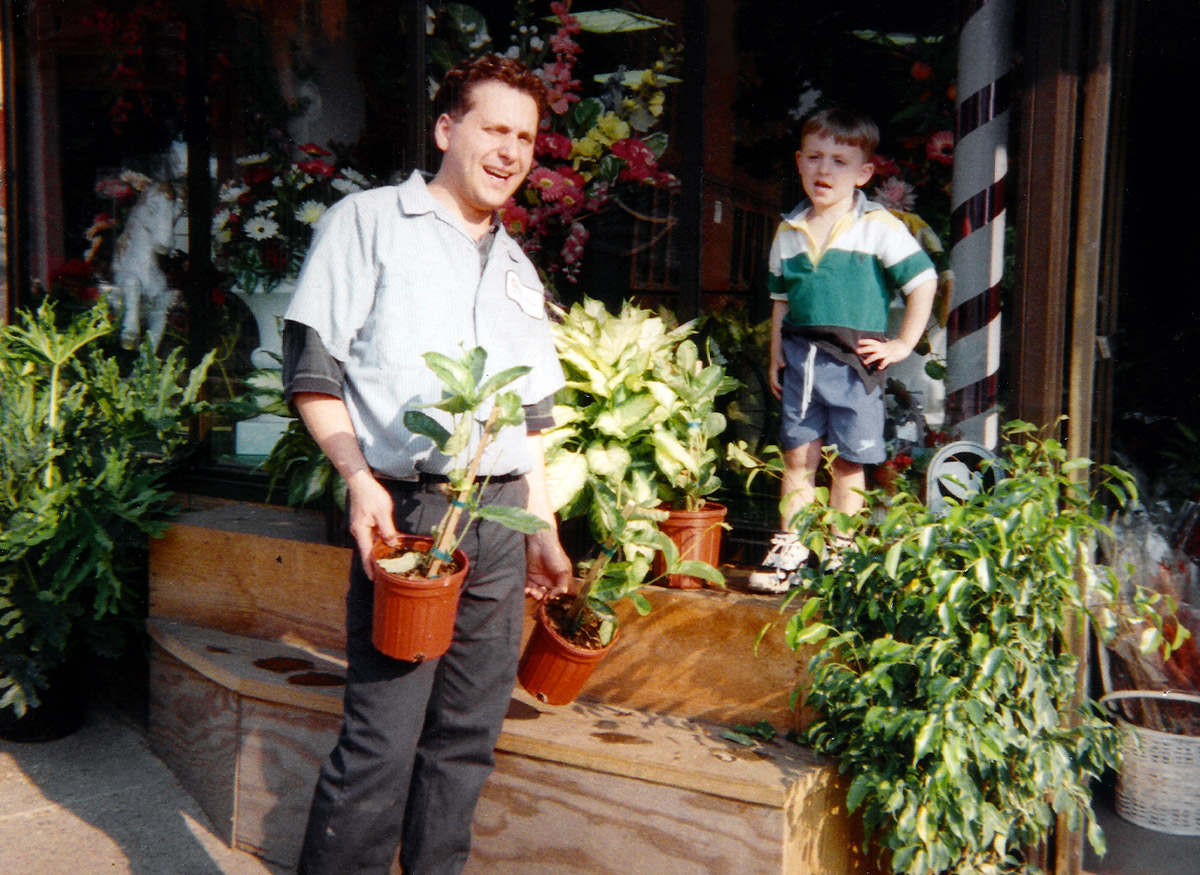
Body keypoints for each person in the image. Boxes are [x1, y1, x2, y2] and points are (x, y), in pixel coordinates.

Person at [281, 54, 574, 875]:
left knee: (467, 739)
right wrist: (357, 478)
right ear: (448, 130)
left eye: (526, 137)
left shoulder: (518, 270)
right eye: (495, 129)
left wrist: (542, 529)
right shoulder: (369, 222)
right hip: (410, 516)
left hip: (500, 516)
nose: (511, 150)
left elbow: (532, 420)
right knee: (382, 739)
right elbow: (313, 369)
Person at [747, 107, 937, 593]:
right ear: (798, 163)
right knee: (797, 460)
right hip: (801, 363)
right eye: (814, 157)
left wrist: (903, 343)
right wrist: (775, 354)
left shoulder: (878, 227)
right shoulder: (788, 231)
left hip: (855, 364)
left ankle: (839, 553)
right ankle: (790, 550)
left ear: (864, 173)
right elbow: (781, 300)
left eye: (838, 160)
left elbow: (923, 281)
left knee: (850, 462)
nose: (824, 169)